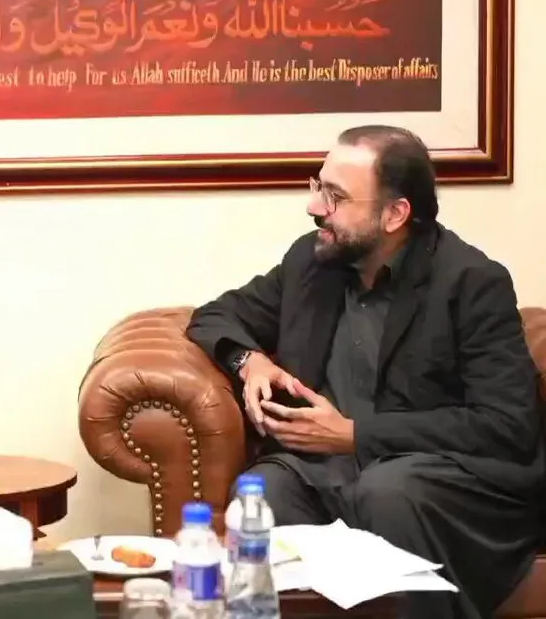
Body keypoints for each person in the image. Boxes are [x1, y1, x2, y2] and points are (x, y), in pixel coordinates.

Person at [186, 125, 544, 619]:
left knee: (387, 492)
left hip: (432, 477)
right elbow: (215, 316)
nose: (314, 206)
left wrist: (355, 435)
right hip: (322, 472)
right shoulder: (311, 261)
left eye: (334, 196)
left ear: (395, 214)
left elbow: (506, 425)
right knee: (264, 495)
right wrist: (251, 362)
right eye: (318, 186)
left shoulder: (471, 283)